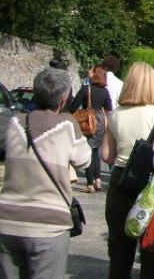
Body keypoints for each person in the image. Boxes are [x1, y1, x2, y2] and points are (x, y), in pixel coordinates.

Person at [0, 67, 91, 278]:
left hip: (7, 219)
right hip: (49, 225)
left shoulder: (15, 121)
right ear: (64, 98)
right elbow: (84, 160)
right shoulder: (67, 125)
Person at [102, 61, 154, 279]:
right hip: (148, 184)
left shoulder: (115, 114)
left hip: (120, 180)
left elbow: (106, 155)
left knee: (119, 250)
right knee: (151, 249)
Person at [68, 65, 113, 192]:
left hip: (88, 121)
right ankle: (98, 180)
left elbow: (73, 106)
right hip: (100, 121)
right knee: (96, 152)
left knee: (88, 152)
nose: (89, 72)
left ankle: (89, 184)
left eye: (91, 71)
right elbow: (109, 108)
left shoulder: (86, 89)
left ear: (95, 74)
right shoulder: (105, 91)